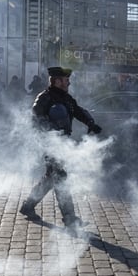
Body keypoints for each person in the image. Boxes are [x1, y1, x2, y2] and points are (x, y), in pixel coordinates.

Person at [19, 66, 102, 230]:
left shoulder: (65, 98)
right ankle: (70, 218)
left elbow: (78, 111)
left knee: (51, 178)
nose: (68, 82)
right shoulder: (44, 98)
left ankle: (28, 206)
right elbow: (35, 118)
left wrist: (91, 123)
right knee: (61, 177)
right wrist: (50, 132)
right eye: (65, 80)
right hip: (50, 144)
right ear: (57, 81)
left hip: (62, 142)